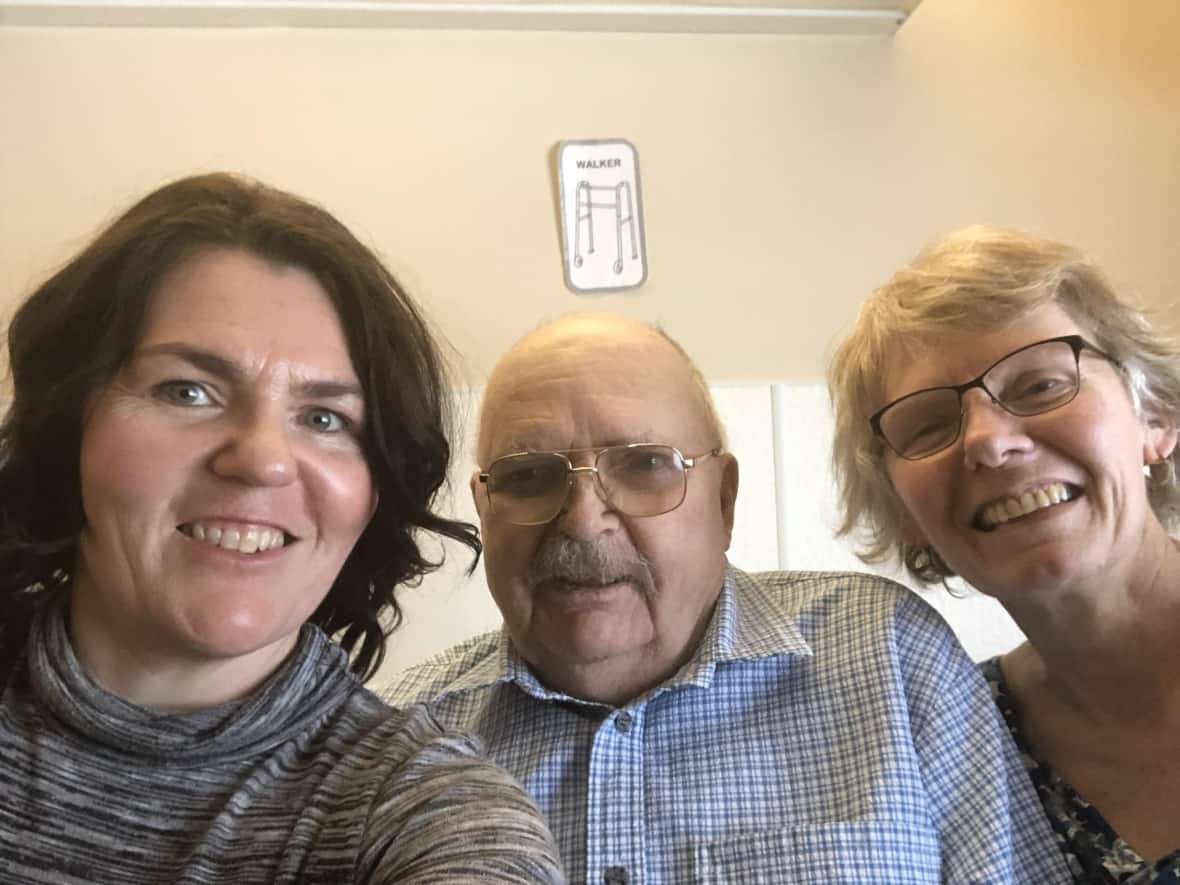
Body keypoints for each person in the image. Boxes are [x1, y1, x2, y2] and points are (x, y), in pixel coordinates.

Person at [0, 172, 564, 884]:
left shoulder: (433, 814)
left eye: (325, 417)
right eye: (188, 390)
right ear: (66, 426)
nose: (264, 459)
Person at [386, 312, 1071, 884]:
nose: (582, 518)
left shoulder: (892, 655)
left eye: (646, 465)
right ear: (484, 509)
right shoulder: (397, 744)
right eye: (528, 475)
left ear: (724, 499)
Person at [827, 225, 1180, 882]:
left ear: (1154, 415)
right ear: (907, 514)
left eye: (1041, 385)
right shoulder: (947, 743)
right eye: (929, 424)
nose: (988, 442)